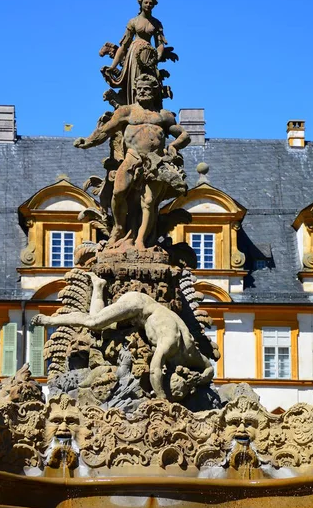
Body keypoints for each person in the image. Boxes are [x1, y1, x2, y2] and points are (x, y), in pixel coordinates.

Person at [31, 273, 214, 400]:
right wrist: (162, 398)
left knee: (100, 326)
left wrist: (201, 378)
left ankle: (98, 285)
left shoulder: (192, 353)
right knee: (94, 322)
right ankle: (50, 321)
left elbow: (209, 368)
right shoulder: (170, 344)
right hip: (137, 305)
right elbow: (154, 370)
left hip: (141, 316)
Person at [74, 74, 190, 249]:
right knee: (118, 193)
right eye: (139, 89)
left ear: (155, 91)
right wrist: (88, 141)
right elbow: (105, 131)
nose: (142, 92)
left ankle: (141, 241)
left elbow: (184, 135)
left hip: (156, 163)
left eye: (147, 89)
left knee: (149, 202)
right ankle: (119, 228)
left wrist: (173, 146)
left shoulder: (163, 116)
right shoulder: (126, 112)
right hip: (132, 159)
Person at [101, 0, 170, 107]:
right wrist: (113, 66)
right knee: (135, 82)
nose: (148, 5)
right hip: (134, 55)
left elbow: (160, 45)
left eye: (151, 3)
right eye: (146, 2)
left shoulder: (156, 23)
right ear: (141, 3)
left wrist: (157, 57)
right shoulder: (133, 21)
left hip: (149, 57)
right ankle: (133, 108)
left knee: (150, 82)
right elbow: (124, 46)